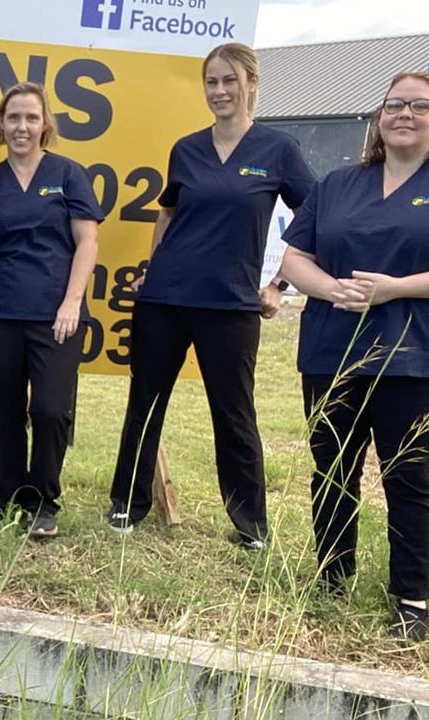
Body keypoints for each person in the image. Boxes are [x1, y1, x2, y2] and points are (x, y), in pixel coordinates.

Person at [107, 43, 315, 547]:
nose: (219, 91)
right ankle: (127, 506)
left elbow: (314, 216)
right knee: (146, 402)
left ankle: (250, 526)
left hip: (230, 305)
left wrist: (279, 285)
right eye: (211, 82)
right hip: (166, 299)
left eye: (228, 80)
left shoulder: (277, 149)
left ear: (250, 83)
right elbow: (168, 211)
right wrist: (153, 270)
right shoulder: (187, 148)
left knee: (234, 412)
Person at [280, 72, 429, 642]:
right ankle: (331, 582)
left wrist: (397, 287)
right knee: (332, 472)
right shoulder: (337, 183)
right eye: (394, 103)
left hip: (417, 357)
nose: (404, 113)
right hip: (333, 351)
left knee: (409, 477)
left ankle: (410, 601)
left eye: (418, 105)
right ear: (380, 117)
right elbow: (295, 256)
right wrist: (330, 290)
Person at [0, 82, 103, 538]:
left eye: (30, 118)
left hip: (55, 318)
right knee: (4, 411)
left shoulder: (67, 174)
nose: (22, 126)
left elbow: (88, 243)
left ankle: (43, 502)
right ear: (1, 125)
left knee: (49, 410)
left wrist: (71, 302)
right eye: (13, 118)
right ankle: (5, 501)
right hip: (0, 314)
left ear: (45, 124)